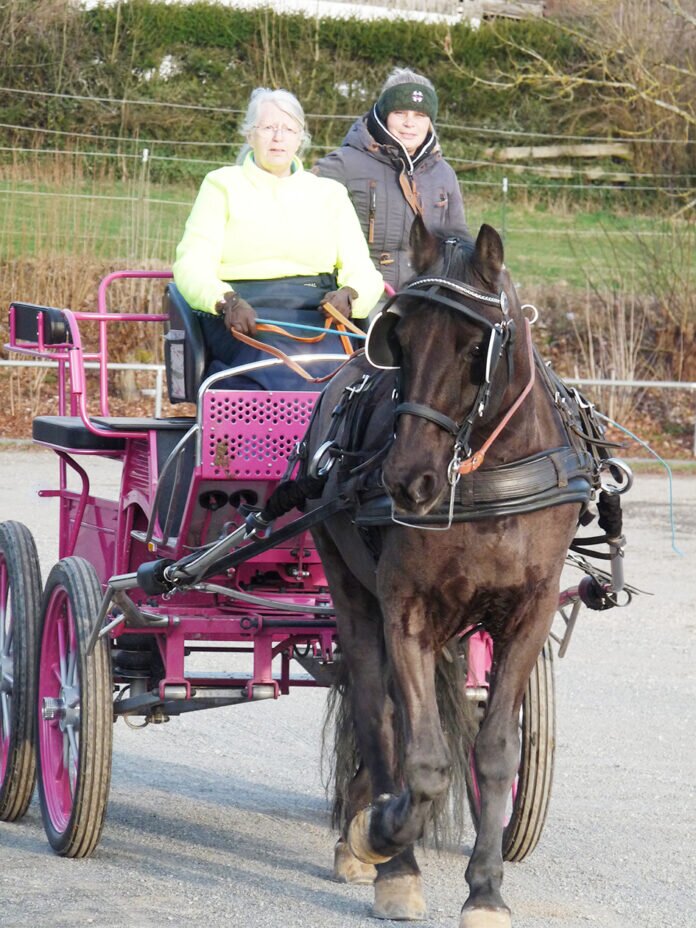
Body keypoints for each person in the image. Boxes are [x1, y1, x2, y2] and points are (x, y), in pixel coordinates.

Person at [172, 87, 384, 389]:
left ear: (300, 138)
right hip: (241, 315)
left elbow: (363, 270)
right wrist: (225, 301)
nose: (278, 137)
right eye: (268, 127)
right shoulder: (221, 185)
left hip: (318, 313)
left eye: (288, 129)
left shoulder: (329, 194)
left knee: (343, 373)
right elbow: (191, 265)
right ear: (250, 135)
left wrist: (350, 296)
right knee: (264, 369)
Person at [313, 68, 469, 291]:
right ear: (384, 114)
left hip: (427, 297)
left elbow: (459, 242)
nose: (410, 123)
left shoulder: (444, 173)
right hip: (360, 294)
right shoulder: (343, 165)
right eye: (400, 113)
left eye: (420, 115)